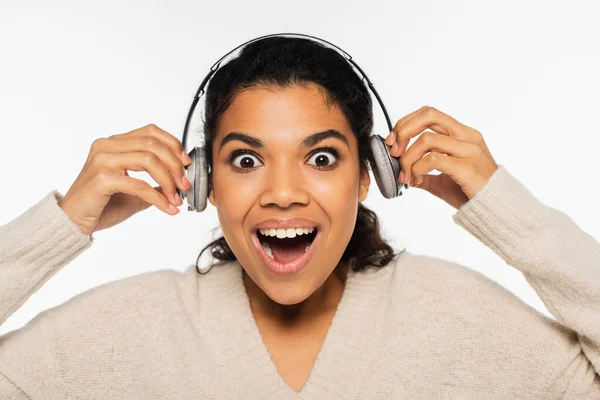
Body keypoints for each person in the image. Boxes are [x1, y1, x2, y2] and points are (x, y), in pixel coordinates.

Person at [0, 36, 598, 399]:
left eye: (320, 157)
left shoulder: (458, 315)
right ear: (205, 181)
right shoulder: (128, 327)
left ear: (368, 174)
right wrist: (60, 226)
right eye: (245, 159)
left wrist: (509, 213)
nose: (283, 193)